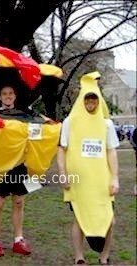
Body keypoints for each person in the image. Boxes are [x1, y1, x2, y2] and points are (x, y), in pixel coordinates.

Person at [57, 83, 119, 265]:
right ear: (81, 100)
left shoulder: (106, 124)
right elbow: (62, 149)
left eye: (94, 98)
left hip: (101, 182)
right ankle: (79, 257)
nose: (90, 102)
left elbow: (111, 151)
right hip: (79, 182)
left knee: (109, 220)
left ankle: (104, 256)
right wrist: (63, 173)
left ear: (99, 100)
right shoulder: (70, 122)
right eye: (87, 98)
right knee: (80, 218)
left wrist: (115, 177)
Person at [0, 85, 36, 257]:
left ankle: (18, 239)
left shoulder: (23, 115)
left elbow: (34, 135)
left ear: (14, 96)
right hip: (2, 166)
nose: (8, 96)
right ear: (0, 97)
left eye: (10, 93)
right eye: (4, 94)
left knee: (19, 203)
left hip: (20, 166)